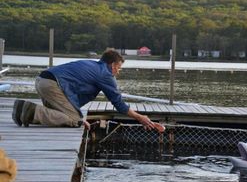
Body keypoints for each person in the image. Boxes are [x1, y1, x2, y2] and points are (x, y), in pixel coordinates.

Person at [12, 49, 157, 131]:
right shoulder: (105, 74)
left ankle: (23, 113)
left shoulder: (92, 65)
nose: (118, 72)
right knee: (74, 120)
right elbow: (119, 104)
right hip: (52, 84)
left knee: (59, 116)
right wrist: (140, 118)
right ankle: (31, 111)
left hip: (41, 80)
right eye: (118, 68)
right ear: (112, 65)